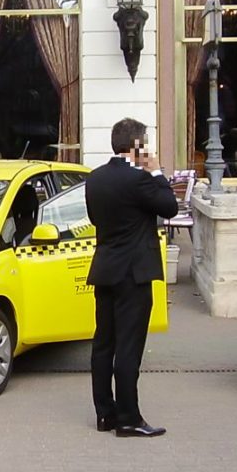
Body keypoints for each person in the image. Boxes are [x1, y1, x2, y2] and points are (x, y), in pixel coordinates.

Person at [85, 118, 179, 438]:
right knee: (128, 346)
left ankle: (105, 414)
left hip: (105, 270)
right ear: (137, 145)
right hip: (133, 274)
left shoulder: (95, 178)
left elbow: (95, 218)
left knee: (103, 344)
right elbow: (170, 207)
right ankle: (128, 418)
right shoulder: (140, 179)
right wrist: (156, 171)